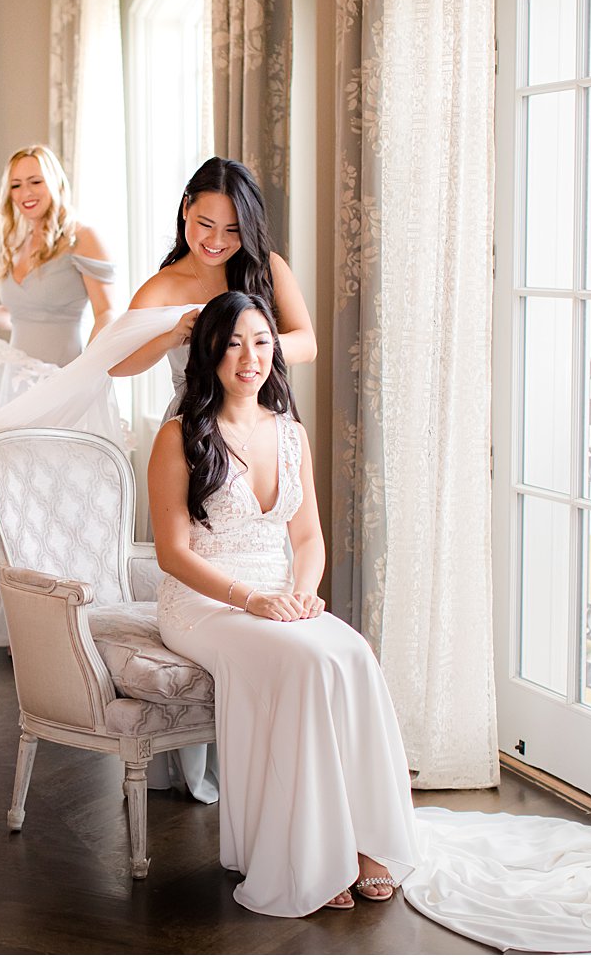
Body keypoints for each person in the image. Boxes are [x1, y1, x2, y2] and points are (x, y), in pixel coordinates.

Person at [148, 291, 417, 916]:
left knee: (352, 652)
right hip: (203, 601)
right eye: (235, 342)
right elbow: (171, 553)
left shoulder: (291, 433)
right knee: (306, 665)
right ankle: (312, 857)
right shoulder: (179, 435)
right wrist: (252, 599)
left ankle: (364, 841)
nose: (251, 357)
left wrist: (302, 591)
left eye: (263, 341)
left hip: (278, 595)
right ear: (210, 350)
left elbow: (307, 536)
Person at [0, 144, 119, 648]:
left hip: (63, 380)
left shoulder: (80, 237)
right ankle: (19, 621)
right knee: (14, 497)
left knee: (58, 495)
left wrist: (86, 369)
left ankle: (70, 625)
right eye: (17, 184)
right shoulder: (16, 239)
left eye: (35, 182)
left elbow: (108, 311)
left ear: (54, 184)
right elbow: (20, 314)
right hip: (16, 388)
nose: (25, 193)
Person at [110, 156, 316, 419]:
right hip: (197, 424)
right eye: (205, 225)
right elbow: (117, 364)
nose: (216, 241)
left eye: (233, 230)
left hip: (262, 418)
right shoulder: (161, 288)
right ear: (186, 207)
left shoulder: (268, 269)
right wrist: (171, 338)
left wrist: (246, 344)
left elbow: (307, 345)